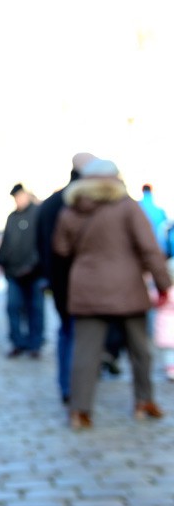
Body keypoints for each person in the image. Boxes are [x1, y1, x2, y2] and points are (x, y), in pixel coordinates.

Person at [53, 159, 171, 430]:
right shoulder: (128, 207)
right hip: (126, 287)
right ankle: (144, 401)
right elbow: (149, 248)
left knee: (85, 352)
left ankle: (79, 411)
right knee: (140, 349)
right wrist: (163, 284)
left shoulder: (72, 209)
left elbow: (61, 248)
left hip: (86, 287)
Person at [36, 152, 95, 403]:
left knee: (68, 331)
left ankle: (69, 386)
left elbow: (40, 246)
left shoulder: (49, 204)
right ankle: (74, 387)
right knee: (78, 334)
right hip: (80, 280)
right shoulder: (78, 204)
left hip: (60, 280)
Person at [0, 183, 45, 359]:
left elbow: (42, 243)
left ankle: (35, 343)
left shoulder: (37, 214)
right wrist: (0, 261)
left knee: (35, 309)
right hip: (13, 272)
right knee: (13, 307)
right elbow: (6, 242)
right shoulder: (12, 217)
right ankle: (18, 342)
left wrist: (33, 265)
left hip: (34, 273)